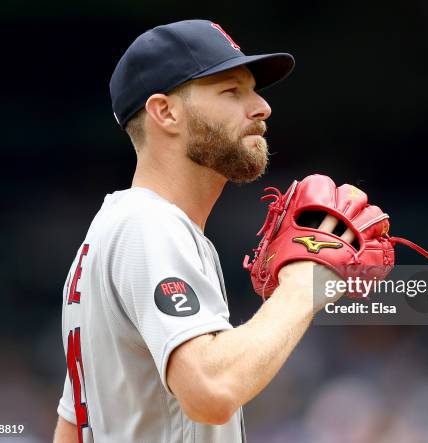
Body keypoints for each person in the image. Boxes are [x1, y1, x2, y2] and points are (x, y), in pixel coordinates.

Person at [53, 19, 345, 443]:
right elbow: (210, 391)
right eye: (232, 91)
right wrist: (303, 287)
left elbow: (73, 429)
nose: (261, 107)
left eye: (253, 90)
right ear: (165, 112)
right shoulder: (150, 226)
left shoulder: (106, 235)